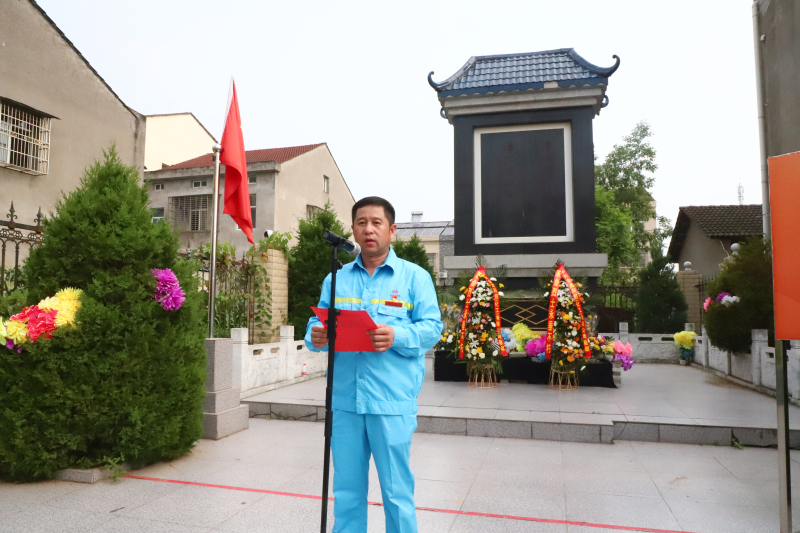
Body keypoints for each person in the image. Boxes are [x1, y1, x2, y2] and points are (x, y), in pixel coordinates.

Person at [305, 196, 442, 533]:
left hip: (391, 402)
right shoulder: (335, 279)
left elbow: (432, 328)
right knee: (347, 492)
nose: (369, 229)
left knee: (396, 492)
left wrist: (397, 335)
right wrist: (316, 334)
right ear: (352, 229)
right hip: (345, 403)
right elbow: (316, 323)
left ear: (392, 230)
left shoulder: (415, 278)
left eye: (377, 223)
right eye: (361, 222)